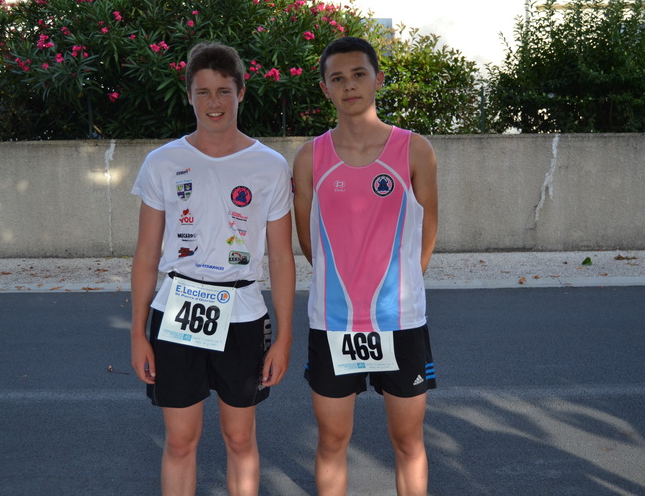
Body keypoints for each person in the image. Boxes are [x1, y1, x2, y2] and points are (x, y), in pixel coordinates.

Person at [130, 41, 295, 496]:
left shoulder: (270, 166)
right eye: (202, 92)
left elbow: (281, 258)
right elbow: (146, 254)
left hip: (242, 314)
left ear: (241, 92)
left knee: (240, 438)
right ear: (188, 95)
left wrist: (283, 336)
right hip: (176, 311)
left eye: (223, 91)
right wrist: (138, 332)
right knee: (181, 441)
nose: (214, 103)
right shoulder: (162, 162)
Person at [292, 36, 438, 496]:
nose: (349, 85)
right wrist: (345, 286)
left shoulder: (415, 150)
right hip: (333, 323)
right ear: (325, 89)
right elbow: (308, 241)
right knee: (333, 439)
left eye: (359, 74)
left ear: (377, 78)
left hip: (401, 321)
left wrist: (403, 288)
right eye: (337, 78)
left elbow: (427, 231)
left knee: (407, 440)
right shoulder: (308, 158)